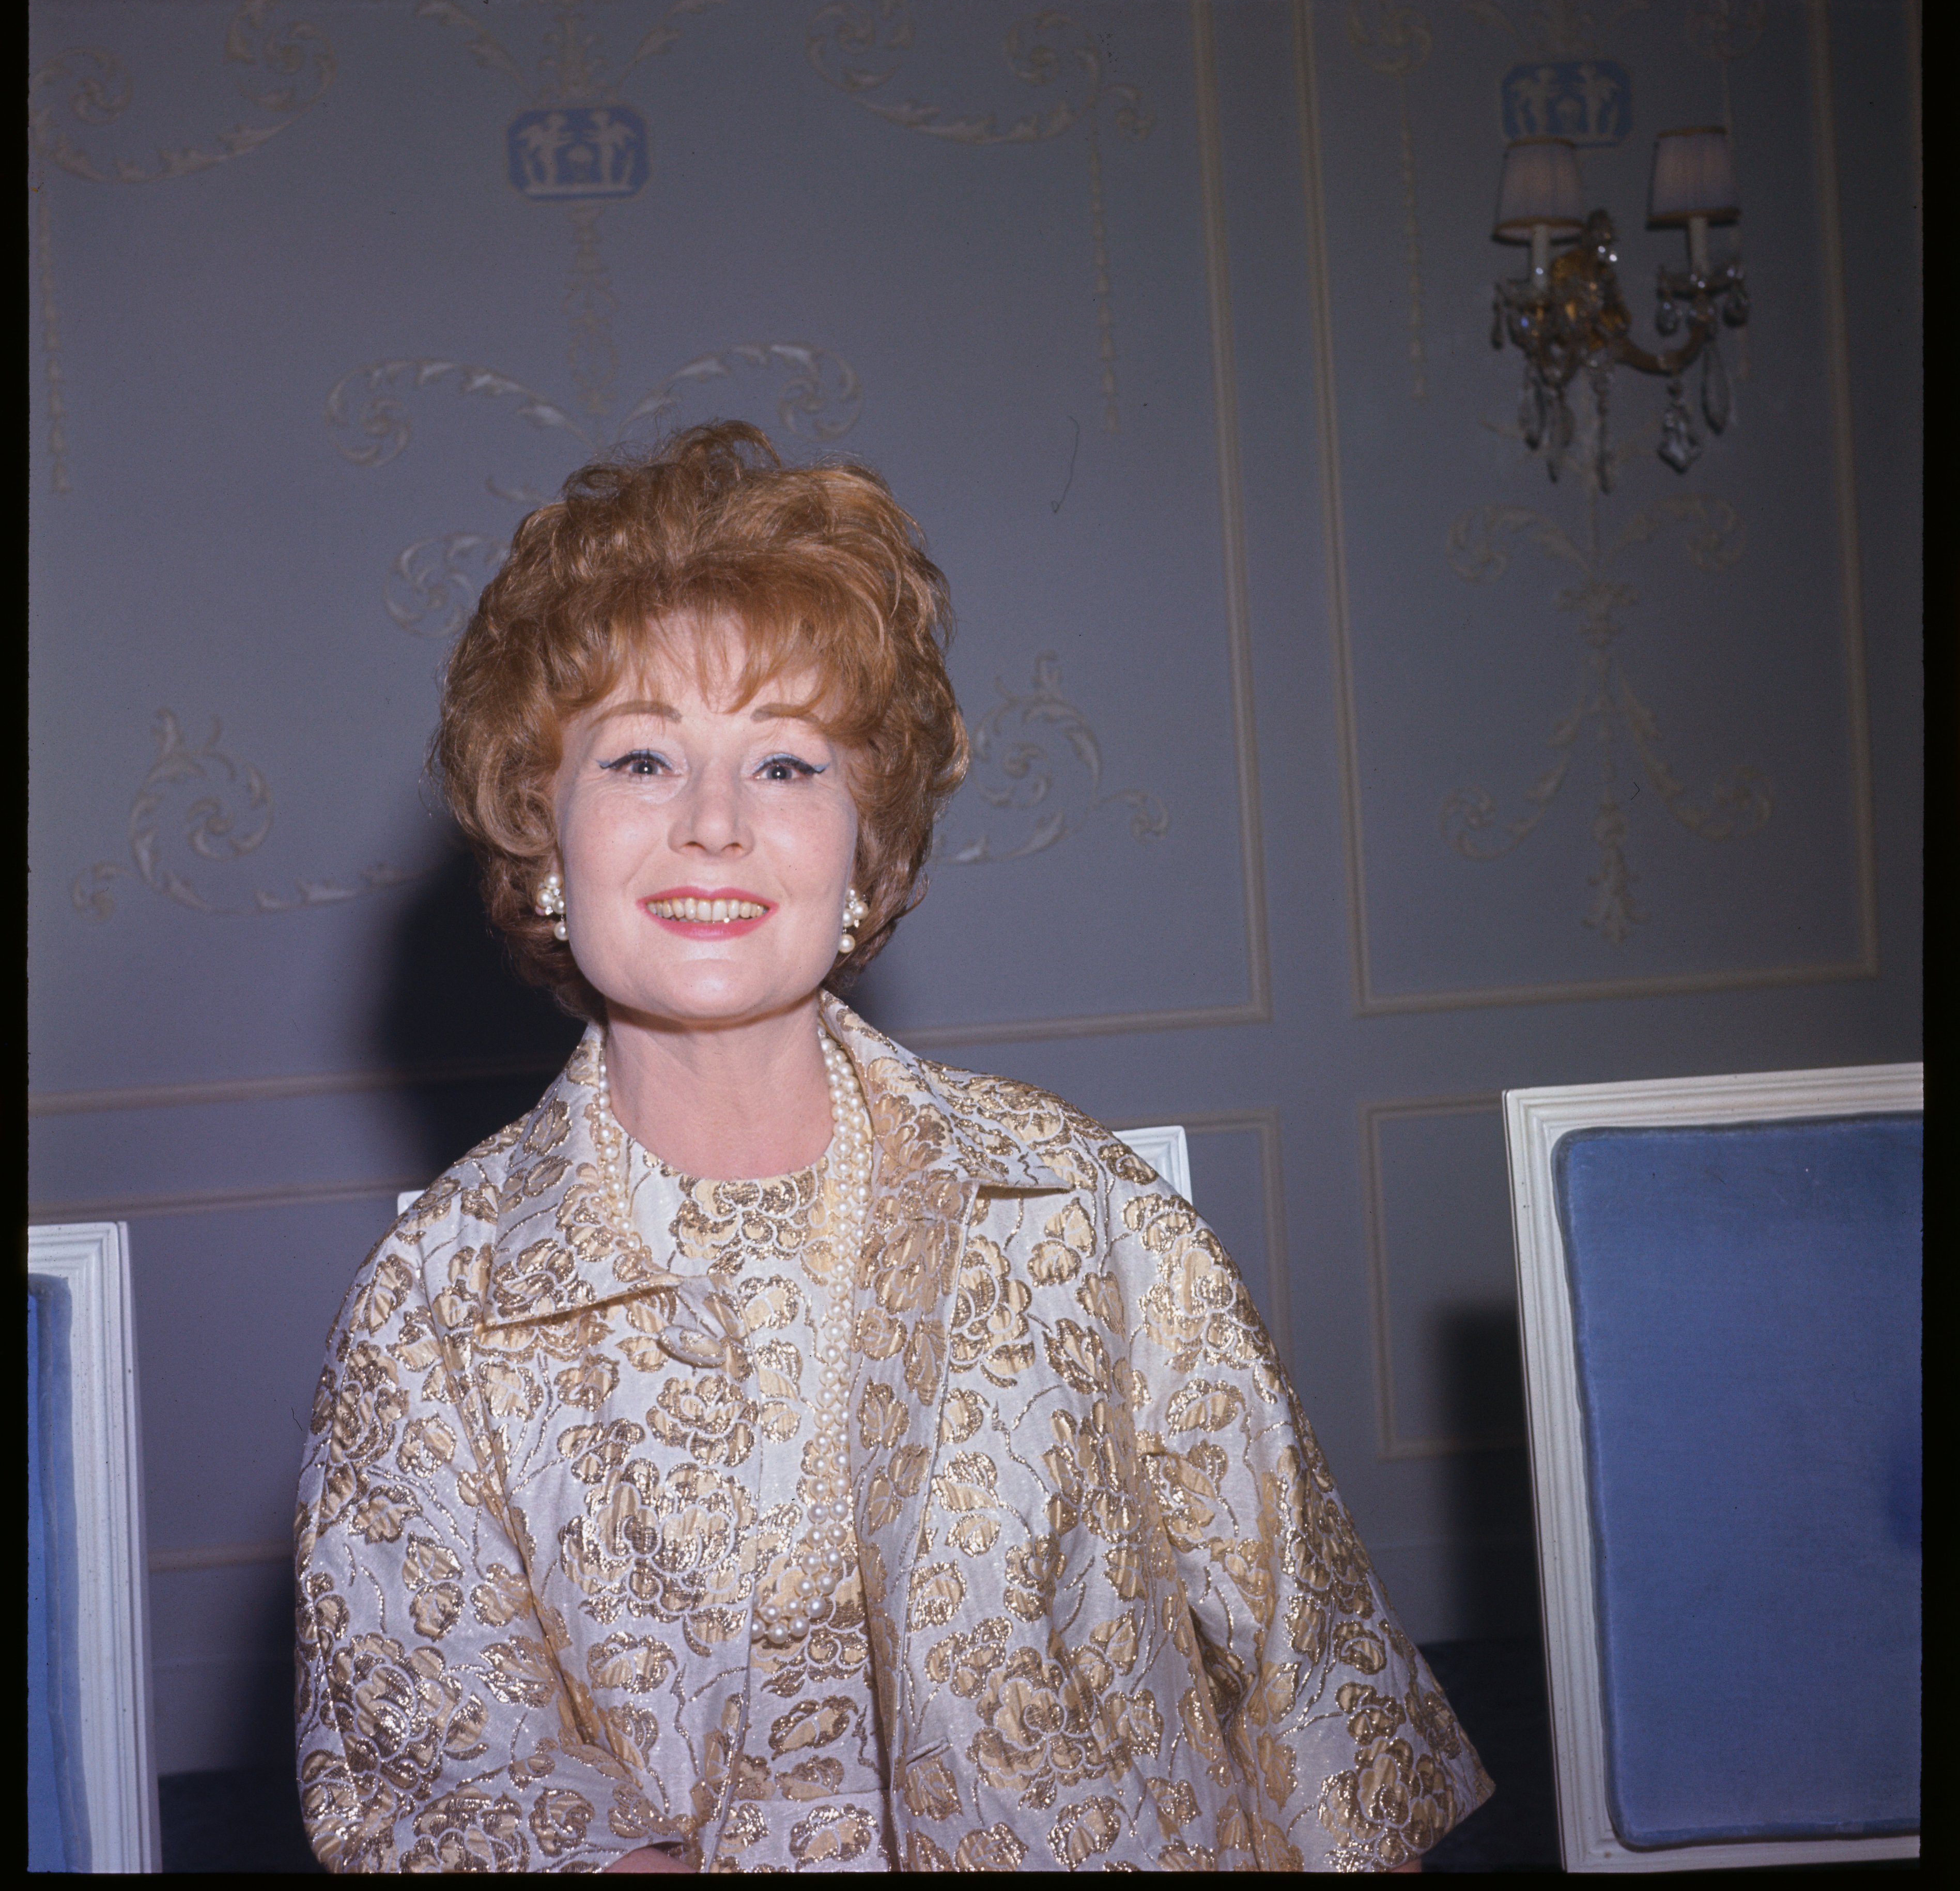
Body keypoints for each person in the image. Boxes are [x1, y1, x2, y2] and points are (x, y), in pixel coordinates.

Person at [294, 423, 1490, 1872]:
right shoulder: (436, 1305)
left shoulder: (1074, 1210)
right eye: (643, 758)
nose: (716, 826)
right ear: (544, 838)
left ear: (867, 851)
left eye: (787, 764)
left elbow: (1322, 1692)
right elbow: (443, 1780)